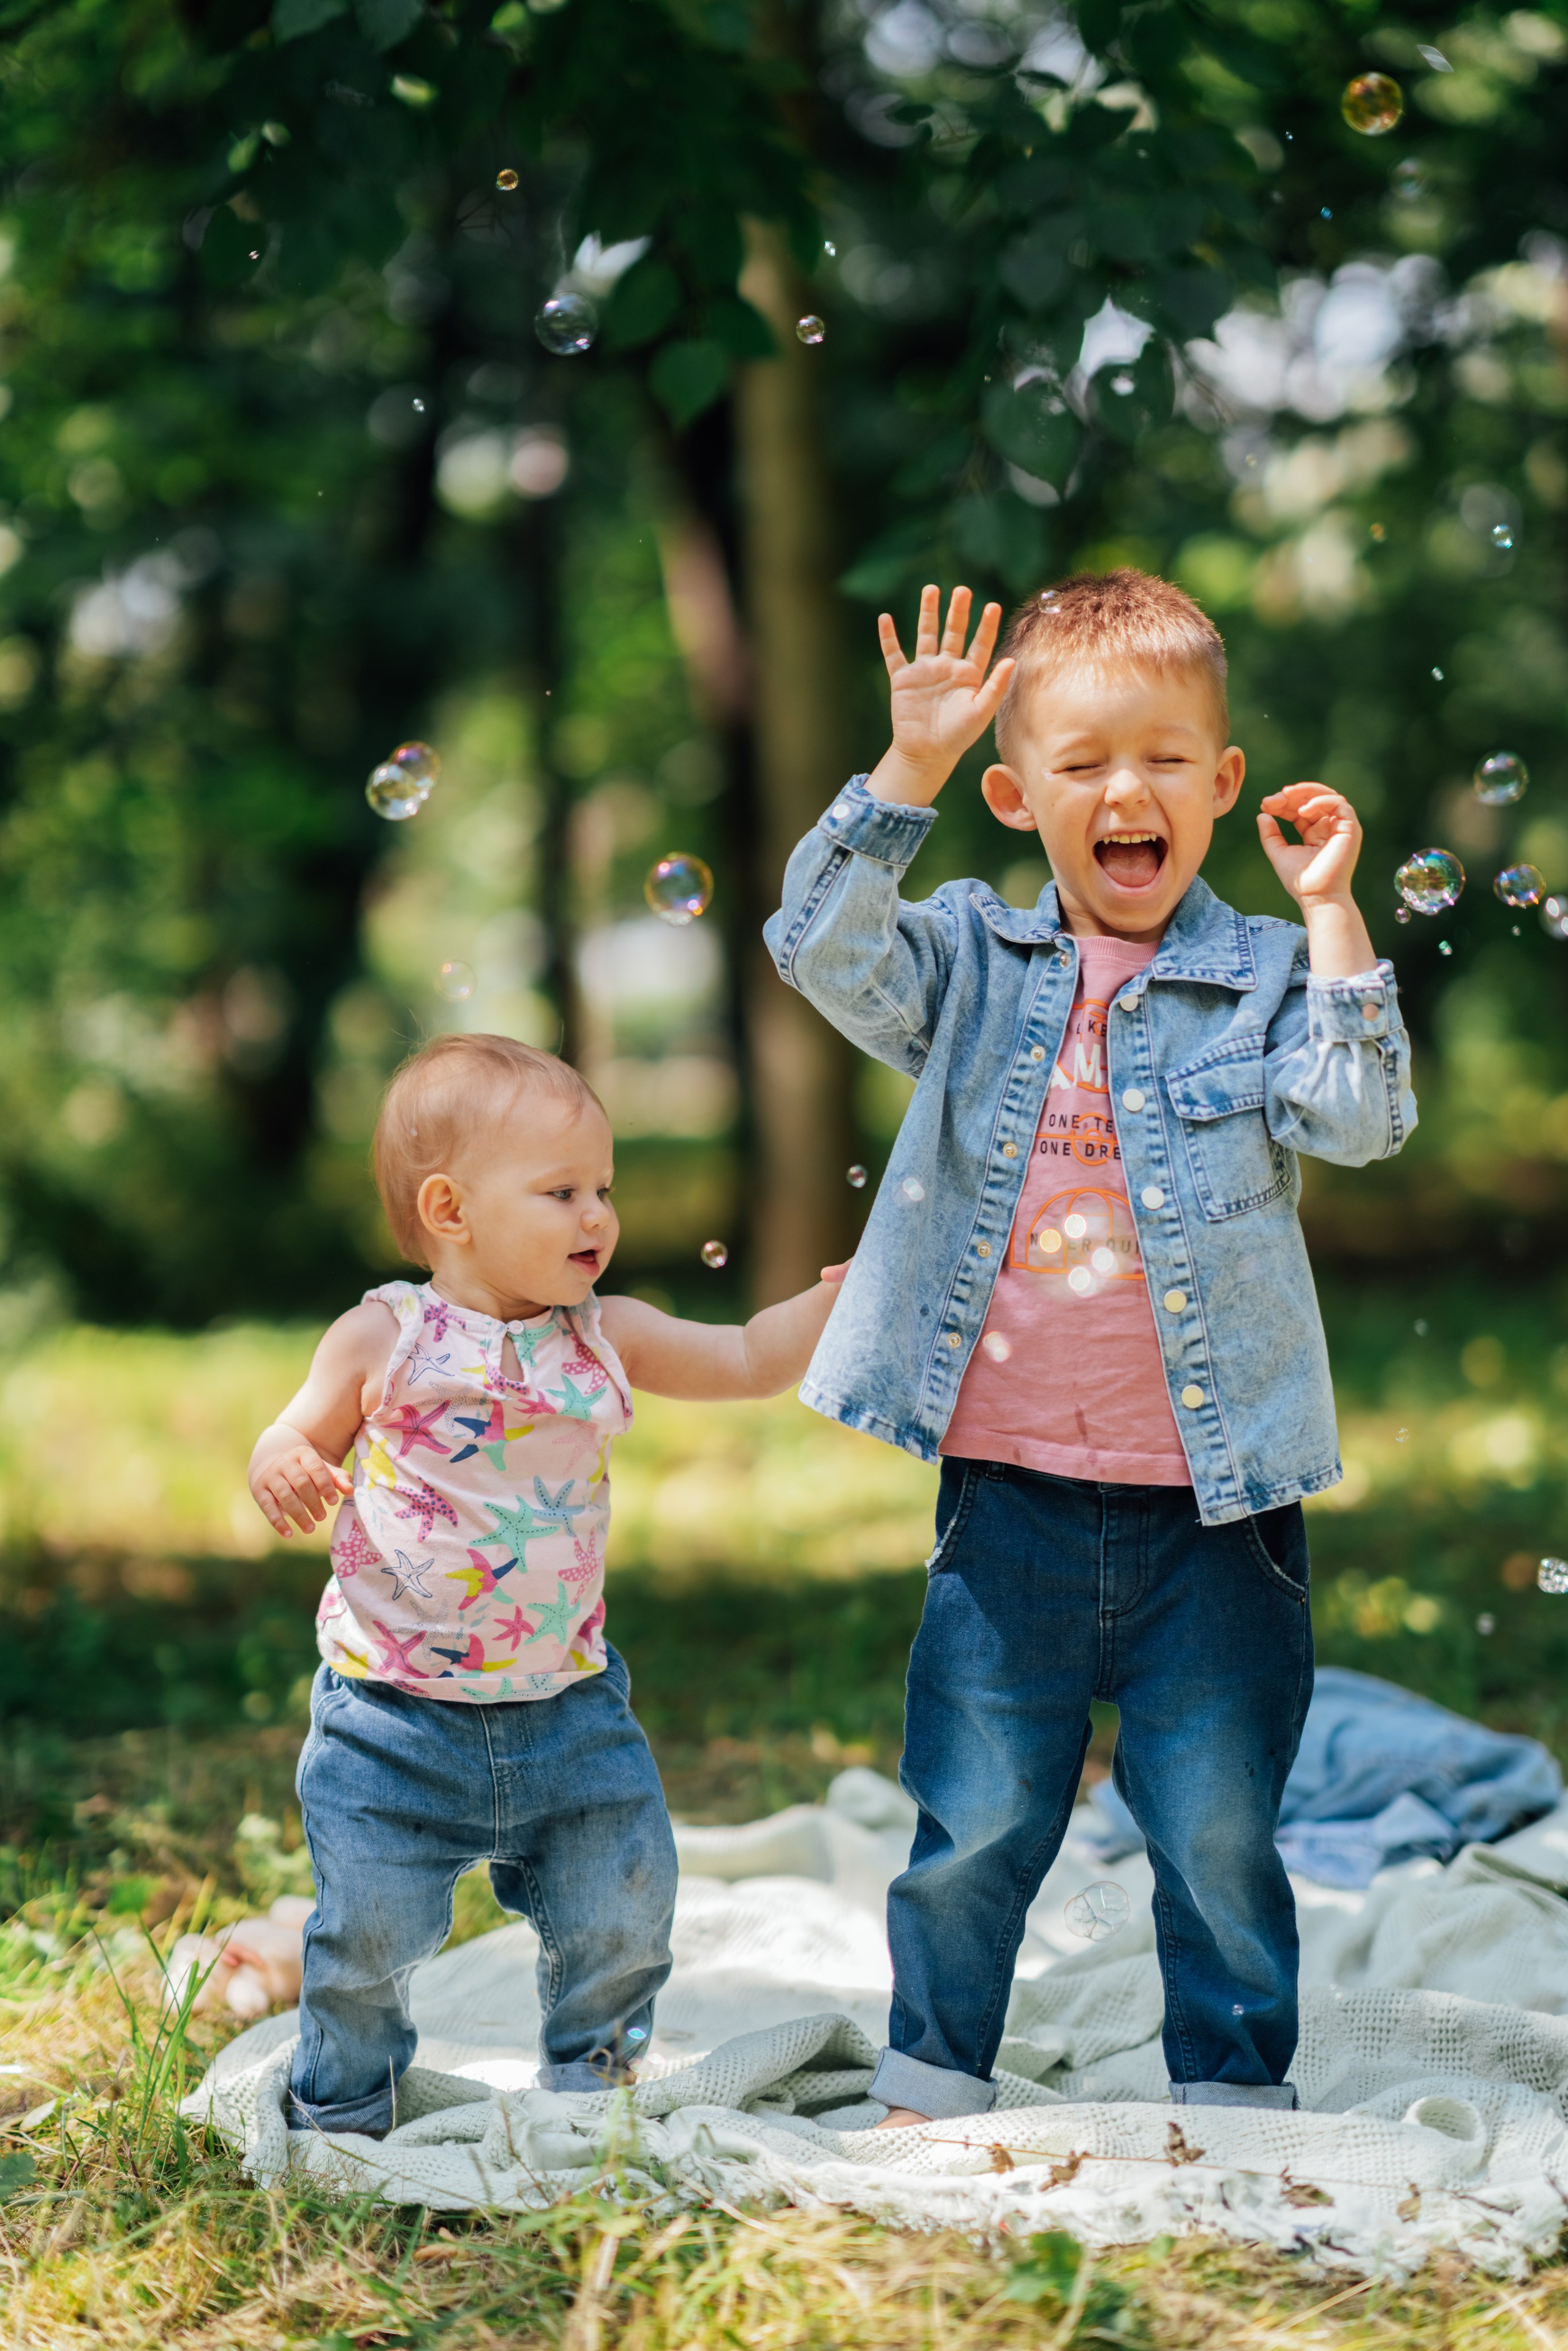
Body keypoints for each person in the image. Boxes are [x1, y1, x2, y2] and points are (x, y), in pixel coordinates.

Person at [764, 570, 1415, 2128]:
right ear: (1014, 794)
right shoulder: (972, 965)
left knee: (1213, 1825)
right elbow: (814, 944)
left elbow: (1359, 1116)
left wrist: (1331, 911)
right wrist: (902, 769)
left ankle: (1231, 2091)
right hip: (1012, 1501)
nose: (1125, 790)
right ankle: (931, 2069)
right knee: (977, 1811)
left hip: (1219, 1505)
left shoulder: (1261, 973)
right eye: (1079, 764)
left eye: (1163, 759)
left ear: (1222, 782)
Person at [247, 1032, 843, 2137]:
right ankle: (342, 2104)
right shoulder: (386, 1333)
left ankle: (593, 2088)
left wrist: (829, 1308)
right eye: (562, 1190)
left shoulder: (605, 1334)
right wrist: (281, 1458)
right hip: (393, 1718)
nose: (599, 1217)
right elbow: (294, 1426)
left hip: (569, 1707)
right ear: (450, 1208)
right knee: (367, 1934)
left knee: (625, 1903)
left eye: (604, 1188)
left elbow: (748, 1358)